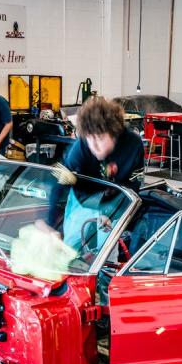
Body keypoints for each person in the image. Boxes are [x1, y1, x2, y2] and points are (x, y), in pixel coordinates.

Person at [40, 96, 144, 251]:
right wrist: (50, 225)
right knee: (70, 248)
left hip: (115, 201)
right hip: (83, 198)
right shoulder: (80, 148)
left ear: (114, 132)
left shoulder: (133, 145)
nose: (94, 146)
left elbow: (133, 187)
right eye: (90, 138)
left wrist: (111, 214)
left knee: (107, 251)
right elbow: (59, 184)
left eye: (100, 138)